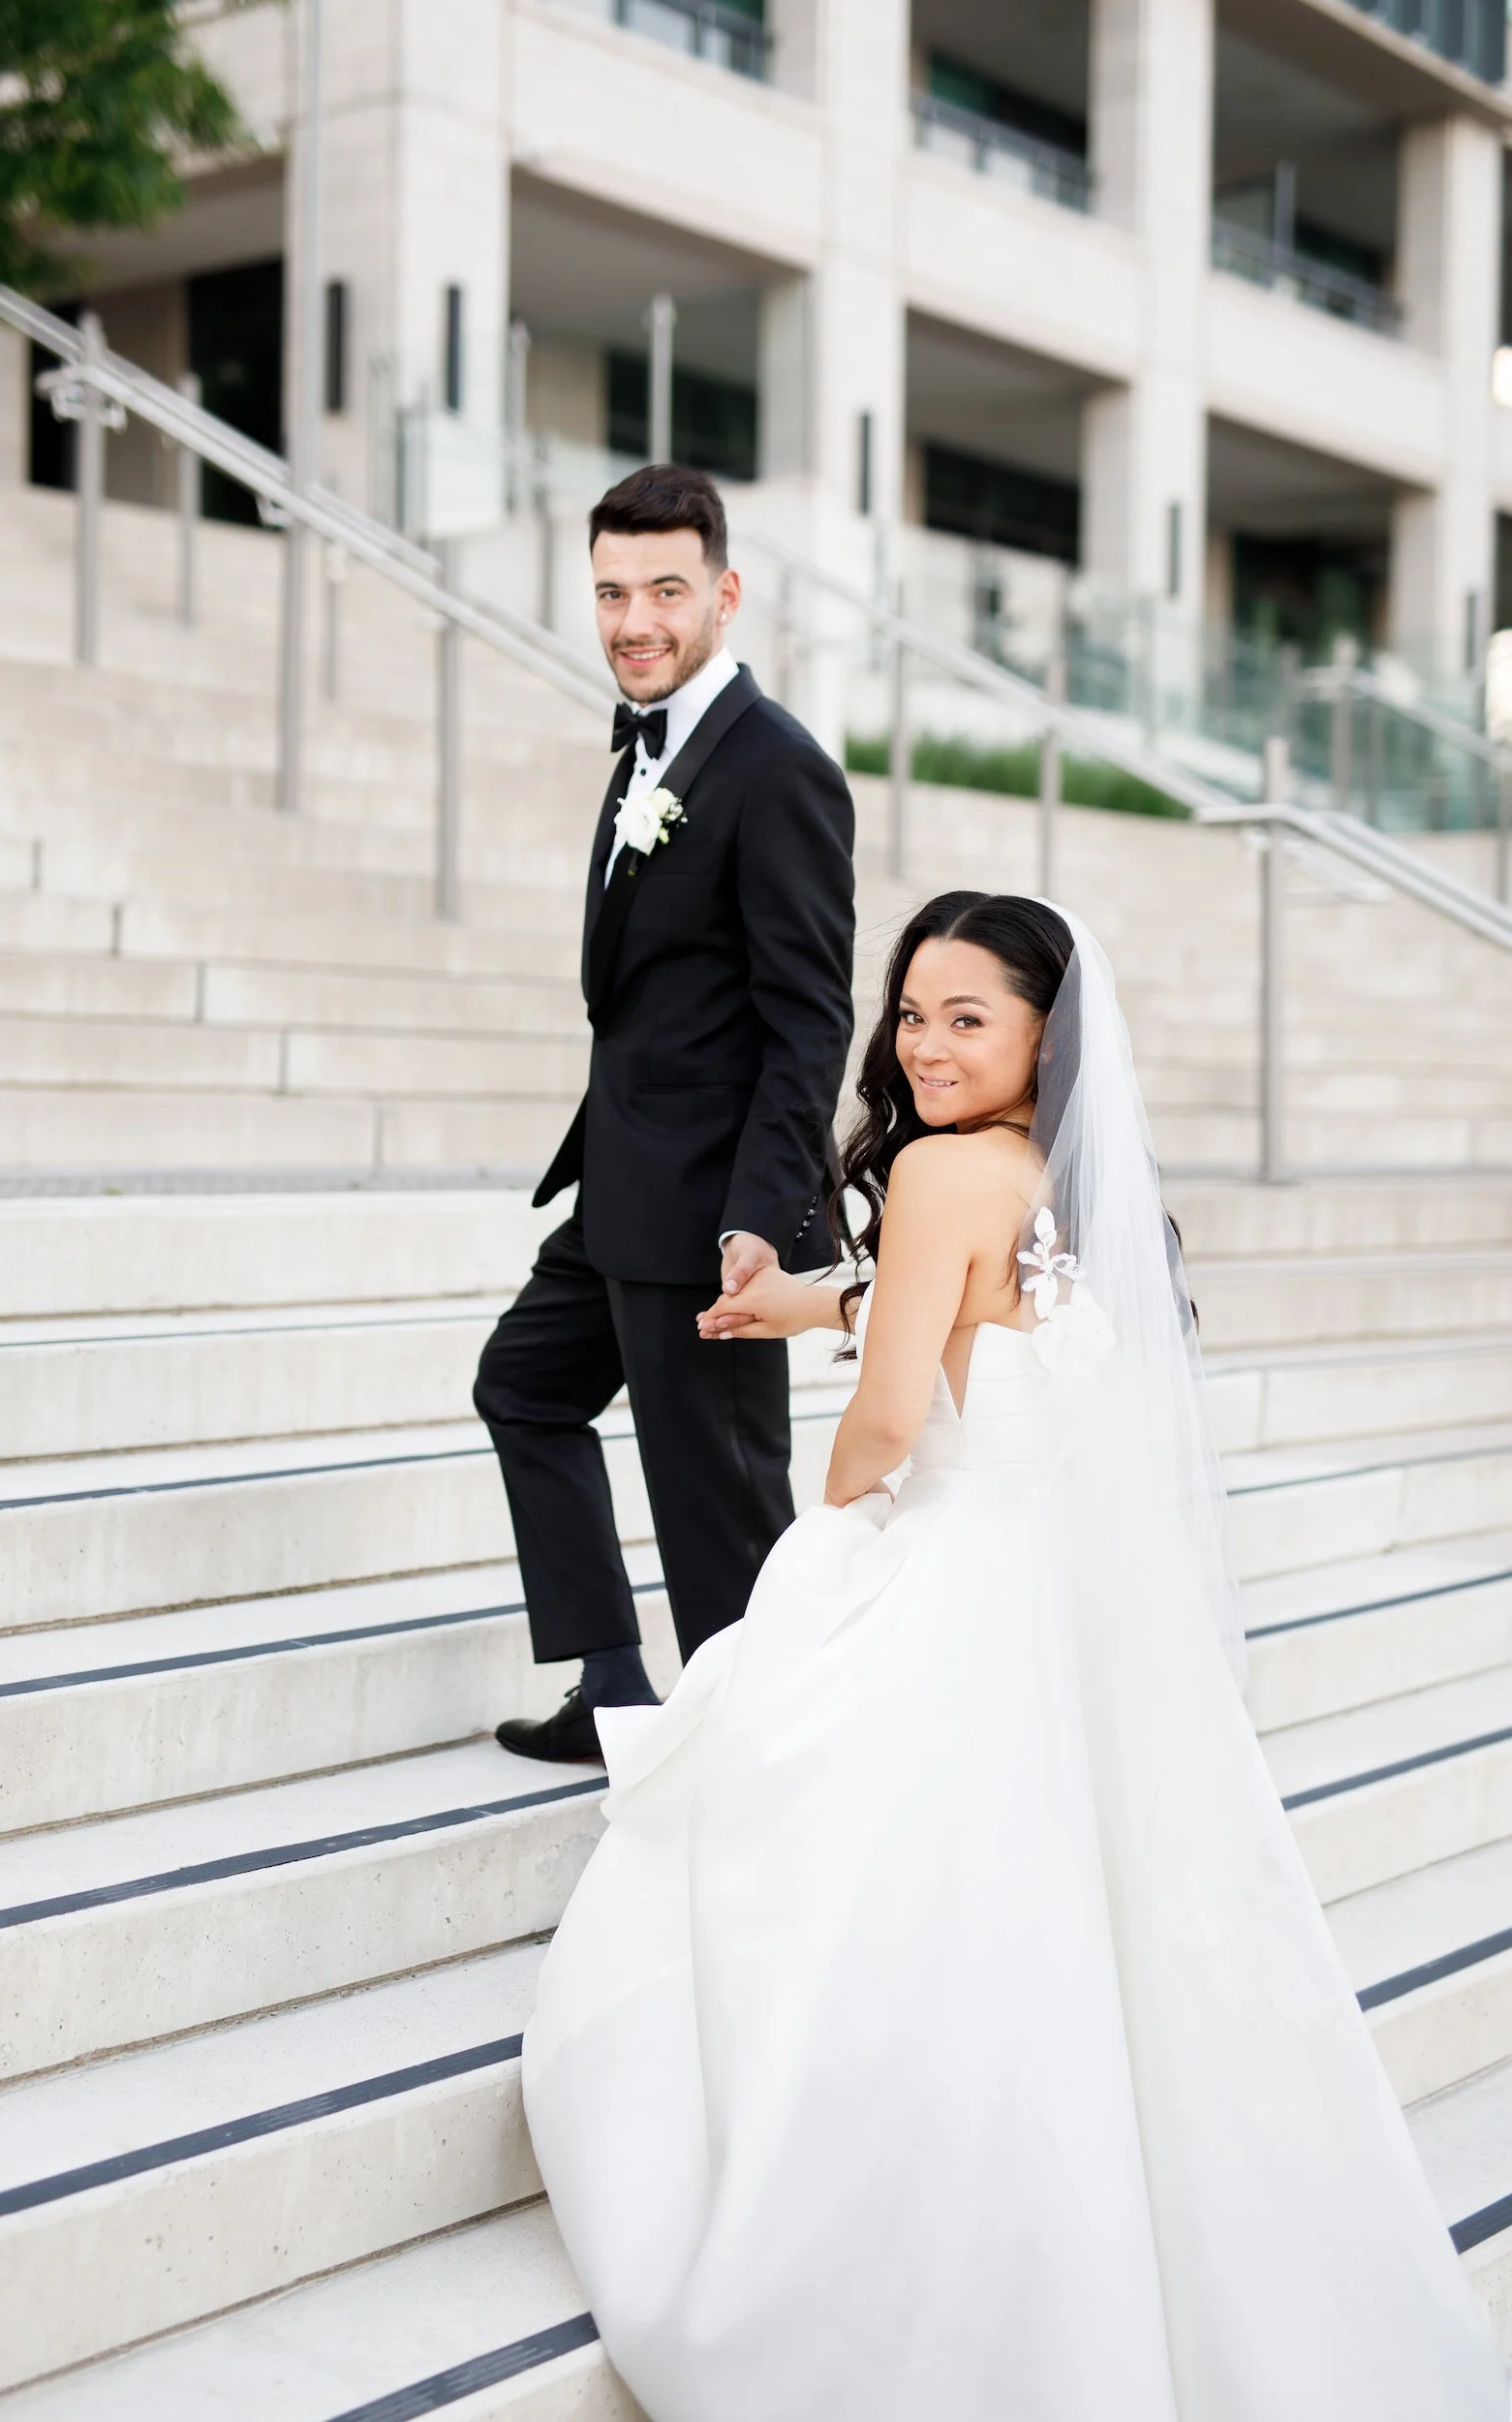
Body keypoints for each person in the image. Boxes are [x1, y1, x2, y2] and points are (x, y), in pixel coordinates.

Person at [521, 891, 1509, 2421]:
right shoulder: (1058, 1174)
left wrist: (835, 1527)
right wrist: (807, 1298)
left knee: (802, 1831)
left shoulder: (931, 1173)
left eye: (964, 1017)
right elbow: (979, 1304)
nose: (920, 1046)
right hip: (1050, 1588)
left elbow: (897, 1413)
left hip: (949, 1562)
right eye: (907, 1014)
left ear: (1045, 1029)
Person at [475, 464, 855, 1762]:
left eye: (664, 591)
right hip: (620, 1188)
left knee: (719, 1519)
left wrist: (764, 1217)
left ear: (724, 594)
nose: (634, 618)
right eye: (610, 592)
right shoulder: (650, 740)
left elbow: (809, 1014)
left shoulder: (775, 768)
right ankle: (617, 1689)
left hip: (707, 1213)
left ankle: (764, 1762)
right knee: (523, 1388)